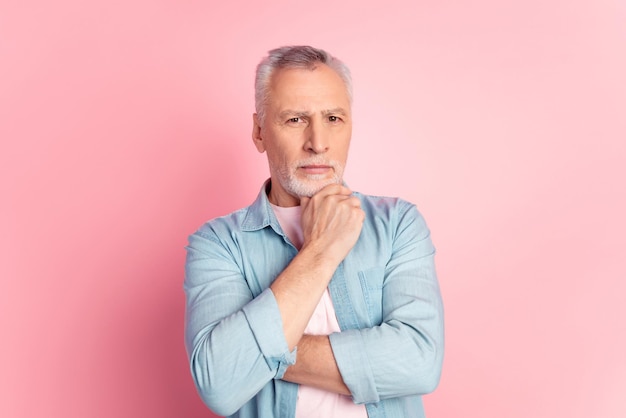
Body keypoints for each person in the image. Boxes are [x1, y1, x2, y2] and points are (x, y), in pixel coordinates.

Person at [184, 45, 444, 418]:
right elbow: (220, 385)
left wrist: (258, 355)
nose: (318, 142)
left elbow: (419, 362)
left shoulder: (398, 224)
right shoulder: (218, 244)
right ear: (259, 132)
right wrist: (320, 250)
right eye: (295, 120)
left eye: (334, 118)